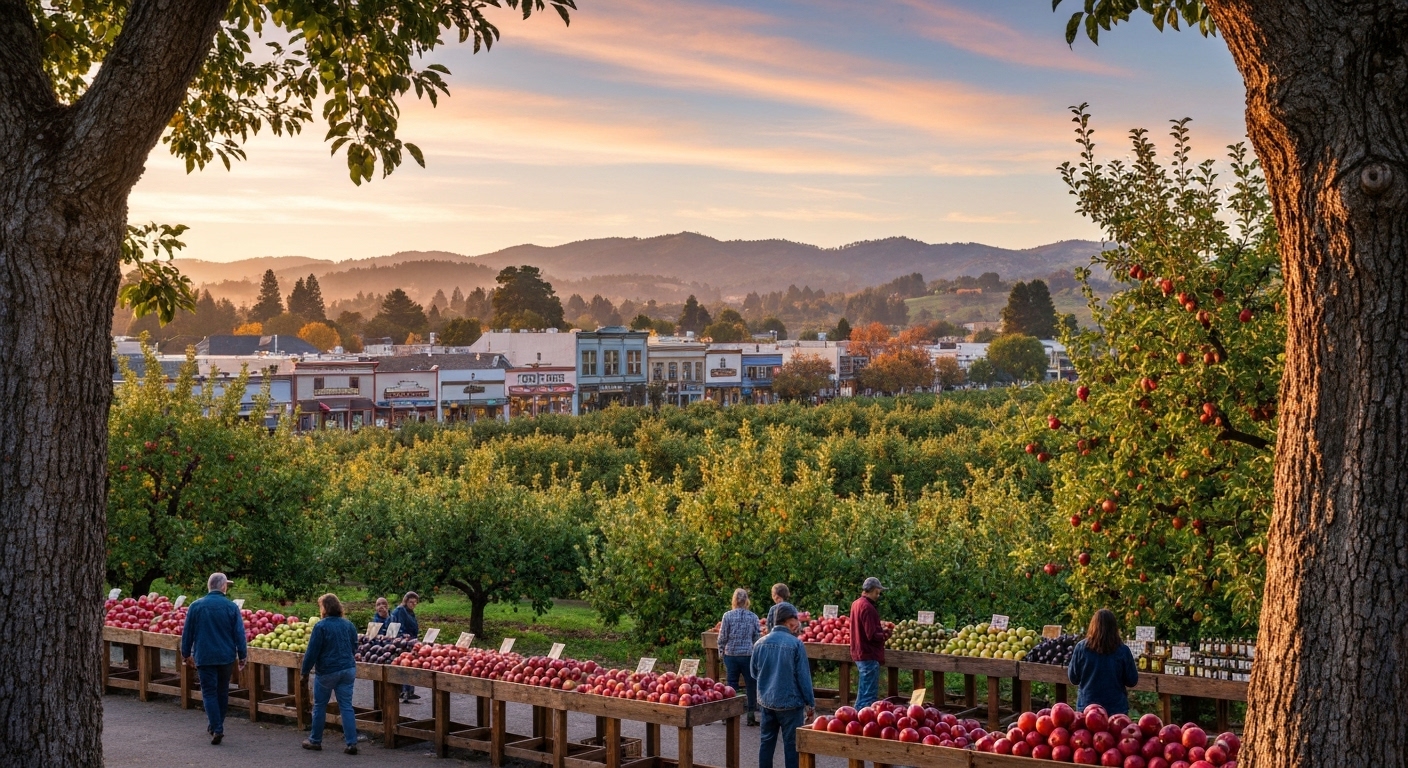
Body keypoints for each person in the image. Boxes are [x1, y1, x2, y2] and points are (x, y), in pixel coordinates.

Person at [180, 573, 247, 745]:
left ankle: (216, 727)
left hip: (205, 655)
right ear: (223, 586)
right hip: (225, 656)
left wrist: (185, 653)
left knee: (209, 692)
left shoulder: (195, 606)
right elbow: (239, 633)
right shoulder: (231, 607)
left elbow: (187, 633)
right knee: (222, 691)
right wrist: (242, 655)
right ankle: (217, 725)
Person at [751, 604, 814, 768]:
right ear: (789, 621)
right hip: (790, 704)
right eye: (796, 619)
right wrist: (810, 704)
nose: (798, 622)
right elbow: (803, 678)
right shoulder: (796, 644)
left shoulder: (759, 643)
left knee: (766, 742)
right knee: (792, 747)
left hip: (766, 702)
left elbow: (753, 673)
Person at [302, 594, 361, 754]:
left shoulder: (321, 626)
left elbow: (312, 652)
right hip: (348, 669)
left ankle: (315, 740)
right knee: (346, 706)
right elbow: (355, 646)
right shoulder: (348, 624)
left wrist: (305, 671)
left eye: (320, 606)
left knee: (320, 705)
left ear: (325, 608)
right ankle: (351, 743)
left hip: (327, 671)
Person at [1067, 608, 1140, 714]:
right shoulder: (1122, 650)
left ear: (1092, 626)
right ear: (1114, 628)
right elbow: (1132, 680)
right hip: (1115, 710)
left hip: (1087, 709)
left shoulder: (1081, 648)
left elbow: (1073, 678)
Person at [719, 588, 761, 727]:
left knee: (731, 684)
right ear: (746, 601)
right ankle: (750, 715)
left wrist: (721, 651)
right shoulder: (753, 617)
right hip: (748, 655)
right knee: (751, 684)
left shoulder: (727, 616)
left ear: (734, 600)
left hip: (731, 654)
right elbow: (756, 636)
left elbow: (723, 636)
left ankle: (729, 714)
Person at [849, 577, 890, 709]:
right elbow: (871, 635)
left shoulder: (856, 604)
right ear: (871, 590)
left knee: (863, 692)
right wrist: (886, 634)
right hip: (868, 653)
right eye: (877, 592)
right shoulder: (868, 608)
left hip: (859, 651)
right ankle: (862, 722)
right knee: (868, 696)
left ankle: (855, 718)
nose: (878, 596)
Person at [389, 592, 420, 701]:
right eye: (411, 602)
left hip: (411, 641)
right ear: (406, 601)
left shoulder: (410, 612)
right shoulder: (401, 610)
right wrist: (403, 636)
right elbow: (398, 626)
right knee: (405, 665)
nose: (413, 604)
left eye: (415, 602)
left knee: (410, 665)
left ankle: (409, 691)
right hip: (403, 642)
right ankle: (405, 691)